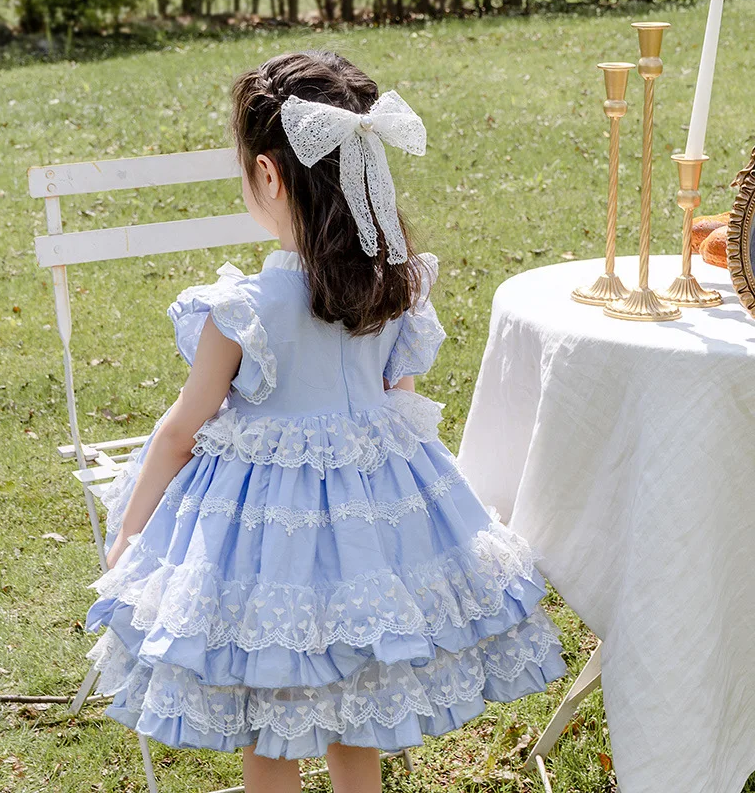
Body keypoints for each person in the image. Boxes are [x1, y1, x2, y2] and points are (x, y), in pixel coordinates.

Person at [85, 49, 566, 793]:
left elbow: (182, 430)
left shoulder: (243, 310)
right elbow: (400, 404)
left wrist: (130, 532)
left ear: (268, 175)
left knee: (274, 719)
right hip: (373, 535)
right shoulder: (392, 286)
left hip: (268, 542)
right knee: (357, 709)